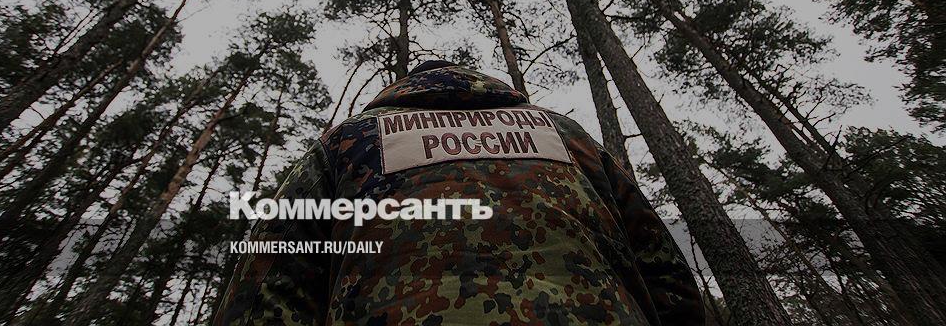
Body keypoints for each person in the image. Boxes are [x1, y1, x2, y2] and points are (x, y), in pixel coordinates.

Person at [215, 61, 705, 325]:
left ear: (404, 89)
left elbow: (271, 280)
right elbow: (666, 275)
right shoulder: (566, 134)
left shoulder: (351, 139)